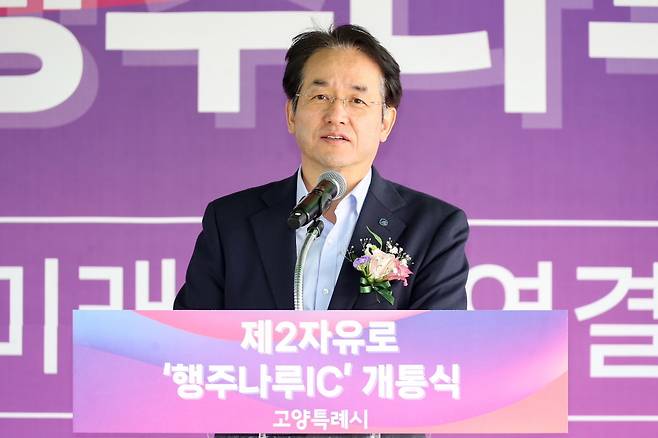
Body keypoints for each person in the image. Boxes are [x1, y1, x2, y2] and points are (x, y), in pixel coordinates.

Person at [174, 24, 468, 312]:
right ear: (291, 114)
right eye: (320, 96)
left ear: (385, 123)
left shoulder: (433, 229)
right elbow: (191, 336)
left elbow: (438, 341)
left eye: (357, 100)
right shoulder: (230, 222)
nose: (336, 115)